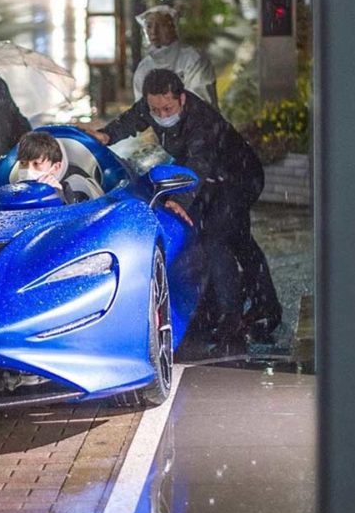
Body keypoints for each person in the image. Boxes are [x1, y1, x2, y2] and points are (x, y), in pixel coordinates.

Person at [80, 68, 281, 342]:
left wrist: (180, 200)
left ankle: (230, 319)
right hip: (211, 180)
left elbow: (199, 163)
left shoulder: (201, 122)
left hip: (238, 177)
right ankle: (264, 306)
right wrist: (106, 135)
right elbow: (134, 118)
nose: (162, 115)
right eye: (156, 109)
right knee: (239, 239)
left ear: (182, 99)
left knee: (216, 238)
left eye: (168, 108)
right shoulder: (151, 106)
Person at [133, 5, 218, 110]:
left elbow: (200, 103)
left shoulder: (194, 60)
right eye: (149, 26)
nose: (154, 32)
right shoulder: (144, 67)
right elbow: (141, 109)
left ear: (173, 27)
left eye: (160, 25)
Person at [14, 131, 88, 205]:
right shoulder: (13, 191)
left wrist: (61, 196)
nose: (28, 170)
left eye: (36, 164)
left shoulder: (74, 195)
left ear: (55, 168)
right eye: (23, 163)